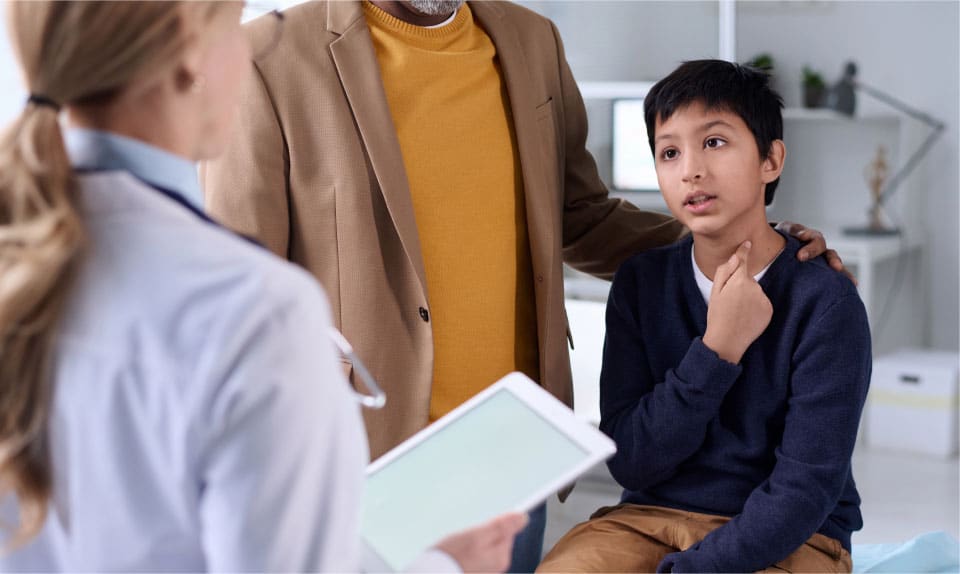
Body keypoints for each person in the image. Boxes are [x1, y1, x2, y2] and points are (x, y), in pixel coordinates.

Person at [201, 2, 849, 569]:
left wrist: (757, 246)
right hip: (367, 454)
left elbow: (582, 217)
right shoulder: (266, 58)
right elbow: (234, 287)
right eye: (674, 151)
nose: (691, 164)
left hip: (514, 443)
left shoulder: (532, 41)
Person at [0, 2, 525, 571]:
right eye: (239, 28)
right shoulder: (251, 309)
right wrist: (443, 568)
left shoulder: (27, 256)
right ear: (190, 53)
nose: (250, 49)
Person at [536, 60, 871, 573]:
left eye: (714, 142)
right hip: (645, 520)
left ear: (771, 160)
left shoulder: (825, 300)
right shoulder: (641, 283)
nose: (690, 168)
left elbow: (806, 489)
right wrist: (717, 351)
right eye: (669, 152)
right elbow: (628, 460)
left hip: (795, 537)